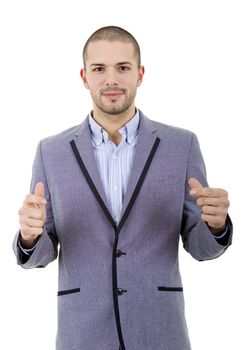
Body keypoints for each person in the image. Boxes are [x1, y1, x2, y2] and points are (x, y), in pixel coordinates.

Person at [13, 25, 232, 350]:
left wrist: (215, 226)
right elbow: (42, 255)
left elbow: (200, 248)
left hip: (159, 331)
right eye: (99, 69)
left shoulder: (181, 145)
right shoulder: (51, 151)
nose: (111, 79)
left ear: (140, 74)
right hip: (83, 334)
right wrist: (31, 237)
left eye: (123, 68)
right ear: (84, 76)